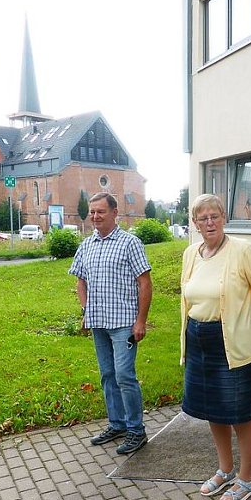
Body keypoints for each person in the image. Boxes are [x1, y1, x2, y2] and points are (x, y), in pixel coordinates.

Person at [180, 194, 251, 500]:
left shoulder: (241, 250)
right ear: (195, 223)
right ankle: (225, 469)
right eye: (203, 218)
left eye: (215, 216)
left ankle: (247, 479)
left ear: (224, 218)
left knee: (239, 413)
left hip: (232, 342)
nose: (210, 222)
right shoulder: (190, 253)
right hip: (199, 340)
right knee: (213, 411)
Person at [70, 192, 153, 455]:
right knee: (107, 375)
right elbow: (80, 281)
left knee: (124, 376)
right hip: (98, 323)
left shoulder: (130, 243)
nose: (95, 216)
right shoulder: (86, 245)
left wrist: (141, 321)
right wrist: (85, 310)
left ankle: (136, 431)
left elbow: (145, 283)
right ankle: (116, 424)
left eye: (100, 211)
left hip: (124, 324)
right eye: (92, 212)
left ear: (114, 213)